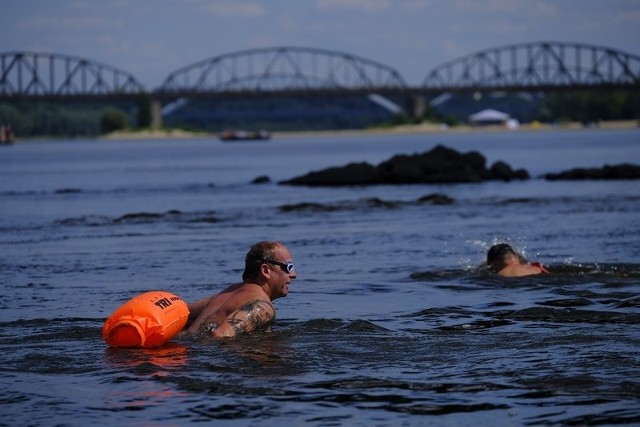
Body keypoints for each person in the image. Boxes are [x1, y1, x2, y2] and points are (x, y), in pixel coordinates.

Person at [185, 241, 297, 339]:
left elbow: (185, 313)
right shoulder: (262, 307)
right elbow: (220, 335)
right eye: (289, 267)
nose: (293, 275)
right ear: (265, 270)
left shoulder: (229, 291)